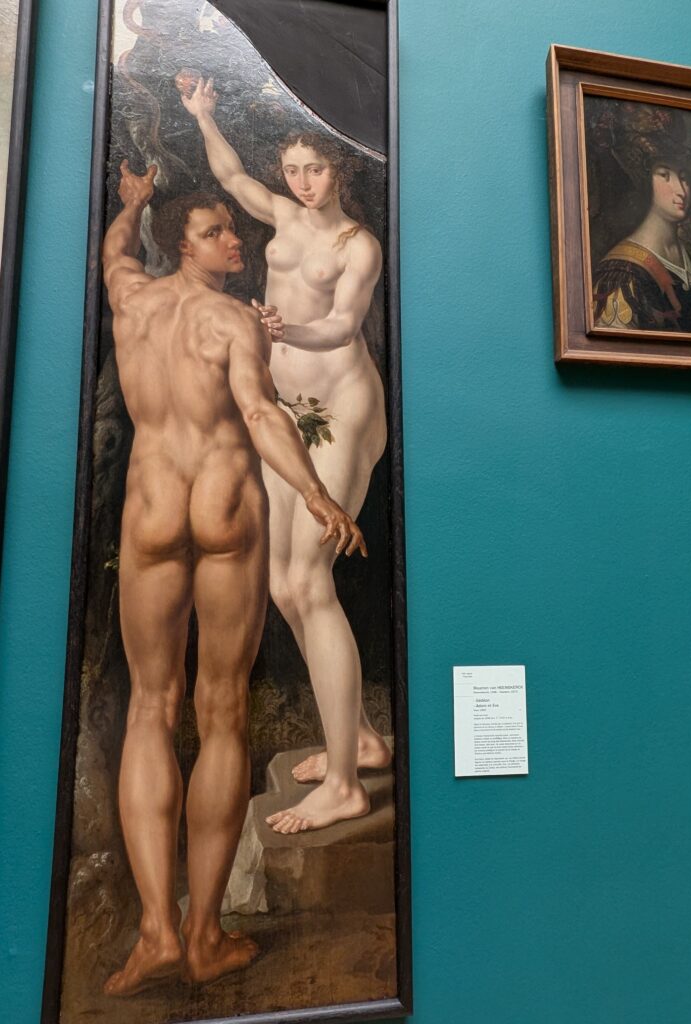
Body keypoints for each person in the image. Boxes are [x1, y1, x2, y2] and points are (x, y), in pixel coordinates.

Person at [102, 161, 365, 996]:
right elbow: (259, 413)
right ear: (184, 245)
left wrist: (132, 204)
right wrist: (317, 493)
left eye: (231, 230)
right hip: (223, 512)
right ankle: (199, 935)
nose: (232, 241)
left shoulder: (131, 303)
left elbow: (115, 254)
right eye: (214, 232)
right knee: (218, 711)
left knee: (152, 706)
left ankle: (158, 932)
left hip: (150, 512)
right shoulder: (232, 320)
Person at [182, 78, 391, 834]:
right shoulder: (282, 213)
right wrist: (204, 115)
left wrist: (280, 330)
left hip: (339, 408)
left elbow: (341, 327)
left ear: (341, 170)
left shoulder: (356, 245)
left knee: (308, 577)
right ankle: (358, 738)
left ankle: (344, 785)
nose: (302, 183)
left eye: (316, 169)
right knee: (281, 582)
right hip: (286, 411)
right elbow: (232, 175)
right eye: (294, 169)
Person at [591, 102, 691, 336]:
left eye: (683, 177)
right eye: (664, 175)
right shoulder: (621, 276)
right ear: (645, 183)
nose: (681, 190)